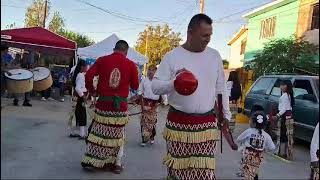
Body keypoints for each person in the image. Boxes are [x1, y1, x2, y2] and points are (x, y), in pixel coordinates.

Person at [151, 14, 232, 180]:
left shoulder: (214, 56)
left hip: (206, 125)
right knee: (179, 171)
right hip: (178, 124)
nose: (208, 39)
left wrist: (225, 115)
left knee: (204, 172)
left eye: (210, 35)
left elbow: (221, 88)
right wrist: (175, 83)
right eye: (204, 35)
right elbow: (155, 87)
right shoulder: (172, 56)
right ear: (190, 33)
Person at [81, 40, 139, 174]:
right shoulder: (131, 64)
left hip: (103, 105)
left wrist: (92, 90)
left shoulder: (102, 60)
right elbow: (135, 86)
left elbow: (89, 75)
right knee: (118, 135)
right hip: (120, 107)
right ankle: (117, 164)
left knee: (99, 132)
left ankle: (92, 160)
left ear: (114, 49)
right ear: (126, 51)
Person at [236, 111, 275, 180]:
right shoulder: (266, 135)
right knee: (254, 170)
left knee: (247, 172)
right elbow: (272, 147)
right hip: (258, 157)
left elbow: (239, 139)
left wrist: (244, 142)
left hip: (248, 156)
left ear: (253, 123)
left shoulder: (249, 131)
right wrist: (264, 147)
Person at [137, 65, 160, 147]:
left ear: (156, 72)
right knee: (143, 122)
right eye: (149, 70)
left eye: (152, 70)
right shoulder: (144, 80)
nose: (150, 72)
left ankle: (152, 136)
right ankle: (143, 139)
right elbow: (139, 92)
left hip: (154, 105)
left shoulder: (158, 81)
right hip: (145, 103)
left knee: (152, 122)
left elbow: (162, 94)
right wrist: (142, 105)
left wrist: (161, 103)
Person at [272, 80, 295, 160]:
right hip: (289, 117)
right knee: (287, 135)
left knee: (282, 135)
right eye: (280, 85)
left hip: (284, 116)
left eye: (282, 85)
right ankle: (286, 153)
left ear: (286, 86)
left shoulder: (285, 96)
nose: (280, 87)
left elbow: (284, 109)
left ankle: (282, 153)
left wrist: (277, 115)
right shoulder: (289, 95)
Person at [69, 59, 88, 139]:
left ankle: (74, 132)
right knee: (82, 114)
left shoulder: (77, 74)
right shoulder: (81, 75)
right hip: (80, 97)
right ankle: (82, 133)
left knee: (76, 114)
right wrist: (83, 96)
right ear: (82, 67)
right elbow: (78, 88)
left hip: (76, 97)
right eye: (86, 66)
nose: (87, 67)